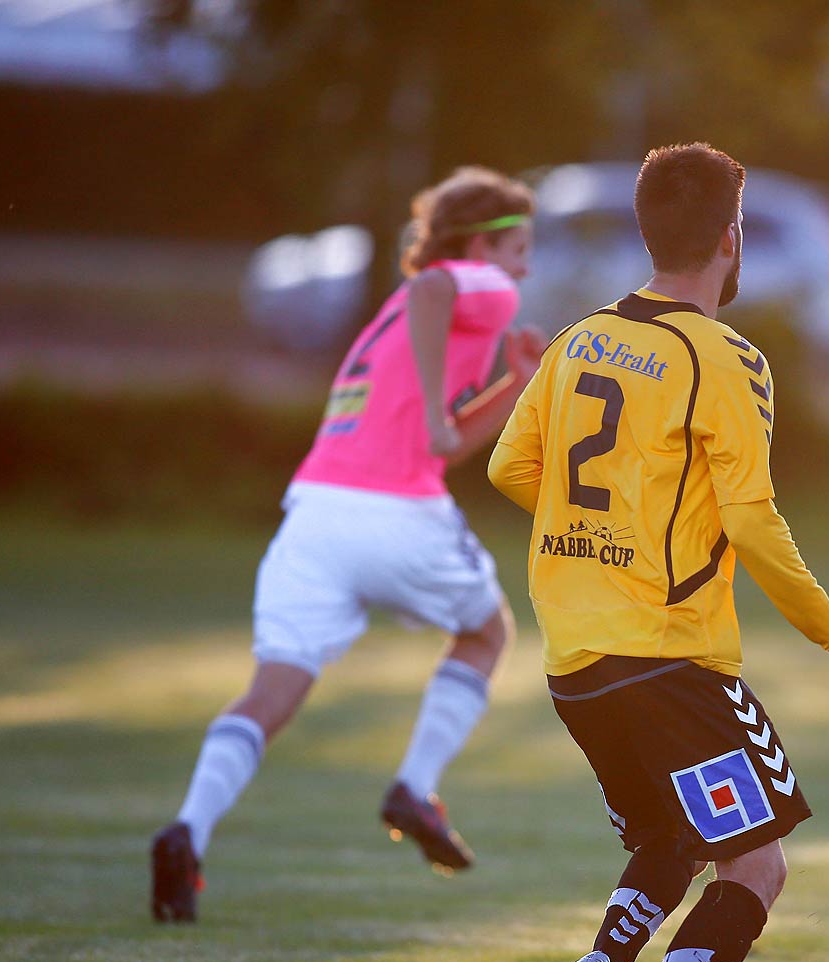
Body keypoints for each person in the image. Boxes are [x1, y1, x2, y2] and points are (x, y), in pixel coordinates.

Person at [488, 143, 829, 962]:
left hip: (576, 665)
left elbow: (513, 469)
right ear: (731, 238)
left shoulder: (582, 337)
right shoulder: (727, 358)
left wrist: (599, 538)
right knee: (757, 868)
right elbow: (753, 518)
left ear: (645, 231)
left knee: (672, 837)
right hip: (672, 663)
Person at [150, 166, 547, 922]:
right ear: (480, 244)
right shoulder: (474, 284)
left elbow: (449, 442)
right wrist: (437, 408)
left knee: (272, 692)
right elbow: (437, 323)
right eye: (520, 245)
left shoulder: (397, 314)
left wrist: (516, 382)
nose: (525, 264)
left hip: (314, 516)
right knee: (488, 629)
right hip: (395, 511)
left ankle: (186, 831)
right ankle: (414, 785)